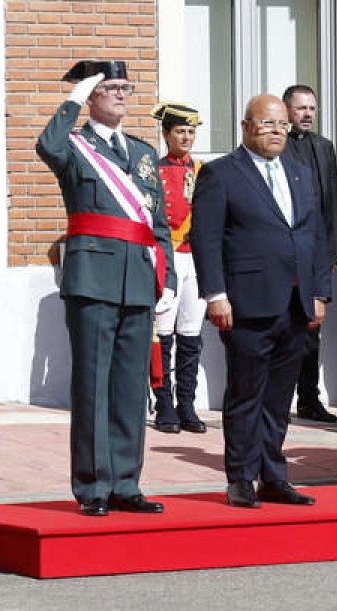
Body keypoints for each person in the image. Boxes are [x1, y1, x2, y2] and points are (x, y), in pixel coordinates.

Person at [36, 60, 175, 516]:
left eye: (124, 87)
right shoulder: (75, 145)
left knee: (131, 387)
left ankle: (125, 483)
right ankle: (94, 486)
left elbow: (157, 224)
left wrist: (167, 277)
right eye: (108, 87)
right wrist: (74, 97)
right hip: (93, 279)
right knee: (93, 385)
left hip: (138, 277)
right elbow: (47, 145)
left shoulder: (142, 153)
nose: (119, 94)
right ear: (93, 96)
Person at [191, 94, 330, 508]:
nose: (276, 131)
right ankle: (240, 477)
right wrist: (216, 295)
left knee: (279, 396)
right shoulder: (221, 174)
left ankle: (274, 475)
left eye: (282, 125)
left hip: (296, 301)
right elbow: (207, 239)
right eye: (267, 124)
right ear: (246, 126)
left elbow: (316, 236)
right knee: (246, 392)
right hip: (246, 301)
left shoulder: (300, 172)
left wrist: (321, 292)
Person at [283, 84, 337, 424]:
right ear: (287, 109)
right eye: (301, 108)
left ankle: (309, 398)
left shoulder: (324, 147)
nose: (307, 114)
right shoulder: (278, 145)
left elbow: (333, 200)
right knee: (286, 327)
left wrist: (335, 249)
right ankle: (280, 398)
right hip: (287, 250)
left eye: (311, 108)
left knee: (312, 329)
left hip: (317, 251)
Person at [149, 101, 207, 435]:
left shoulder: (202, 171)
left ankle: (187, 402)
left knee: (190, 334)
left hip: (194, 258)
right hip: (166, 258)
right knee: (163, 334)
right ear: (167, 134)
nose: (186, 138)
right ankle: (164, 402)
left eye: (190, 132)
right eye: (180, 131)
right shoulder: (154, 171)